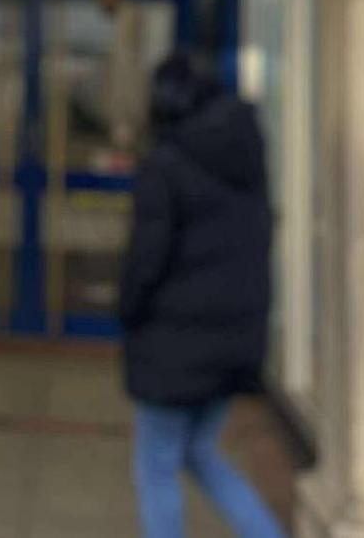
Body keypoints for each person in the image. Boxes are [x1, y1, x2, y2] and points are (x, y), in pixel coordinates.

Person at [118, 52, 285, 538]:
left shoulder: (165, 166)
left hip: (174, 348)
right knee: (198, 452)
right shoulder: (247, 155)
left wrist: (128, 312)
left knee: (156, 465)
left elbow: (145, 261)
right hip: (233, 341)